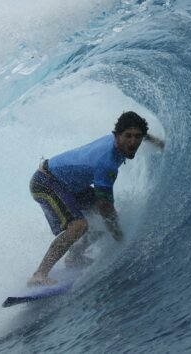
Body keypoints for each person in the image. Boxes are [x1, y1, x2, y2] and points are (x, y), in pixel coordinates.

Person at [27, 111, 164, 286]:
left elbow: (138, 134)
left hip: (71, 187)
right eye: (128, 136)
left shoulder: (121, 142)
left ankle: (74, 257)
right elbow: (105, 205)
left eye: (138, 137)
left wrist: (158, 142)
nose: (133, 142)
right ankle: (39, 274)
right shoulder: (106, 162)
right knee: (80, 225)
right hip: (46, 182)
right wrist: (120, 238)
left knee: (102, 219)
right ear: (116, 136)